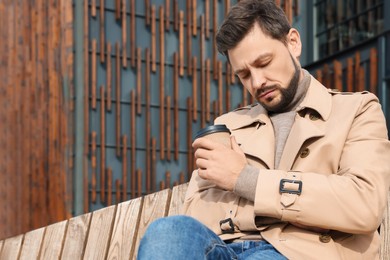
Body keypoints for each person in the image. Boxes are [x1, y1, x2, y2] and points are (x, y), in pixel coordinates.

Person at [137, 0, 390, 259]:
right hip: (223, 250)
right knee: (168, 231)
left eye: (264, 62)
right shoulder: (228, 125)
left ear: (293, 43)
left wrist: (243, 179)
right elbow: (200, 213)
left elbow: (363, 204)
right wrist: (308, 203)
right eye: (244, 74)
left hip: (299, 253)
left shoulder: (356, 110)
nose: (257, 82)